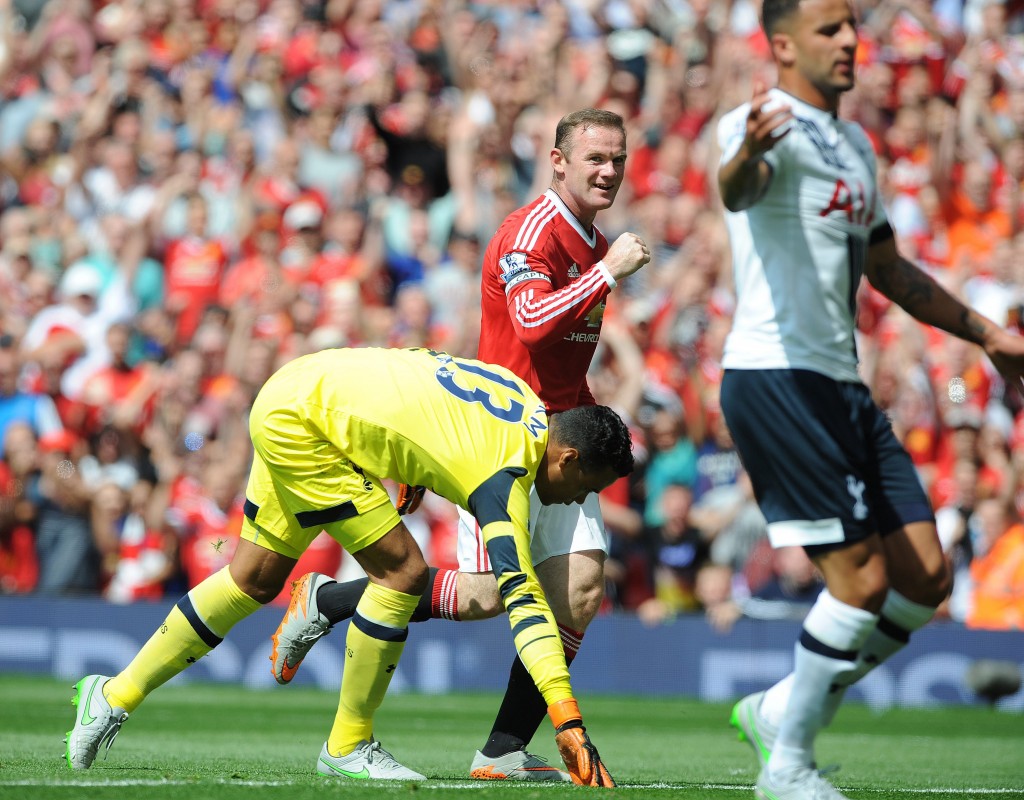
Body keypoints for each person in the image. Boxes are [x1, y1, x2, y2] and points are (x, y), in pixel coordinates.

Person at [268, 108, 650, 782]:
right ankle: (325, 601)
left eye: (617, 159)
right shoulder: (532, 232)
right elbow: (531, 326)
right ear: (557, 161)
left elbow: (561, 356)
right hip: (499, 442)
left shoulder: (589, 237)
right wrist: (608, 274)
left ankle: (501, 751)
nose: (608, 171)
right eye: (594, 158)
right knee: (485, 596)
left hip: (564, 444)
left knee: (582, 590)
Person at [64, 346, 629, 786]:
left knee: (253, 579)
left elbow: (425, 375)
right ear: (568, 457)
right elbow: (525, 603)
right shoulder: (503, 483)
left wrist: (412, 464)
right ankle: (347, 746)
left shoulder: (522, 400)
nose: (577, 500)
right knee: (403, 573)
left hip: (295, 388)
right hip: (311, 428)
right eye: (586, 487)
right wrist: (566, 719)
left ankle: (112, 696)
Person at [716, 2, 1024, 799]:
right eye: (829, 29)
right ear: (782, 45)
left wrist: (986, 334)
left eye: (853, 25)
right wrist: (747, 155)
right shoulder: (757, 125)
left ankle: (782, 707)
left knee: (924, 577)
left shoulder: (854, 147)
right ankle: (787, 768)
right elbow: (738, 189)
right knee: (855, 584)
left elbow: (888, 271)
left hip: (843, 384)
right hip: (777, 375)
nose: (850, 39)